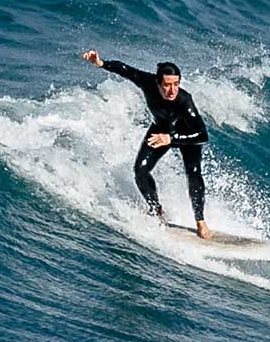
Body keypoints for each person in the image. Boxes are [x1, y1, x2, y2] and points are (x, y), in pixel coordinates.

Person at [82, 50, 212, 239]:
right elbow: (125, 69)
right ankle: (156, 210)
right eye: (167, 85)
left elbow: (202, 134)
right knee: (140, 171)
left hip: (186, 134)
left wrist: (172, 139)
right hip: (160, 128)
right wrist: (101, 63)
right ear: (158, 83)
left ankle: (200, 221)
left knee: (193, 172)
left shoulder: (185, 101)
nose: (172, 90)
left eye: (176, 84)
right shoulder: (148, 82)